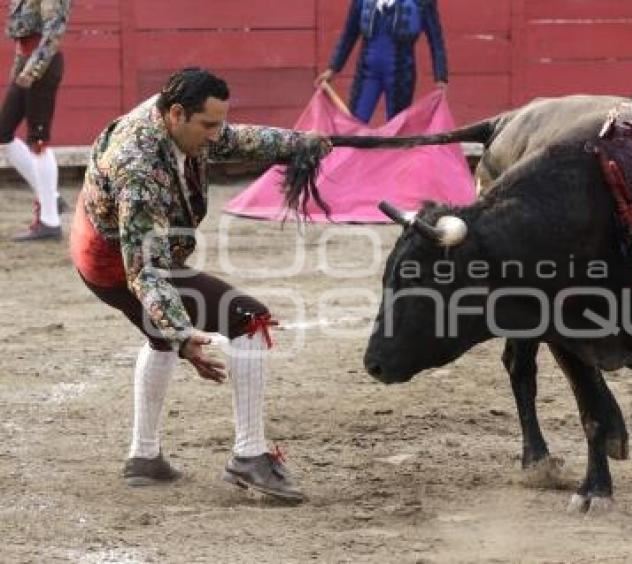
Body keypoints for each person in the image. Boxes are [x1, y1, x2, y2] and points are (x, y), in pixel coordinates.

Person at [70, 67, 332, 502]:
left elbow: (236, 139)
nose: (215, 135)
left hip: (100, 256)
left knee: (160, 338)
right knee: (248, 318)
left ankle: (145, 457)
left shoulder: (176, 123)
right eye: (208, 125)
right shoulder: (138, 165)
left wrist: (297, 143)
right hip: (118, 264)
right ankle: (249, 455)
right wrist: (181, 331)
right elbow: (146, 272)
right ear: (177, 114)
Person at [315, 0, 448, 123]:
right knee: (356, 124)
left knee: (396, 131)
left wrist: (440, 77)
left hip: (401, 76)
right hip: (367, 74)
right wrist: (333, 69)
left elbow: (436, 40)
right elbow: (349, 34)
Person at [2, 0, 70, 242]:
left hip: (41, 66)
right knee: (3, 133)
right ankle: (50, 195)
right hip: (25, 62)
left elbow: (53, 30)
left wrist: (32, 70)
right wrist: (21, 69)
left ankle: (50, 222)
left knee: (38, 140)